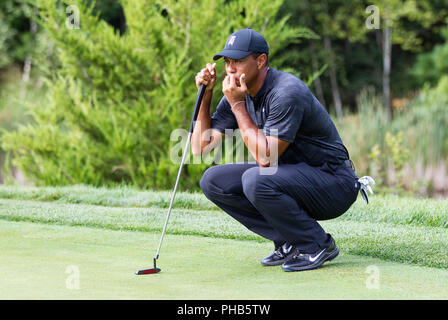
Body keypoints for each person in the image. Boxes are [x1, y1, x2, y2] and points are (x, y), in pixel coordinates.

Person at [191, 28, 371, 272]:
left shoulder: (286, 92)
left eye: (239, 61)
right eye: (228, 62)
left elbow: (266, 158)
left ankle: (316, 245)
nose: (231, 69)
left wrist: (237, 105)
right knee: (213, 180)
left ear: (261, 60)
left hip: (334, 183)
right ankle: (289, 242)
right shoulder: (238, 93)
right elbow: (200, 147)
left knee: (256, 179)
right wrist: (206, 95)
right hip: (292, 177)